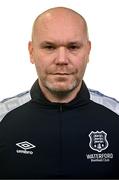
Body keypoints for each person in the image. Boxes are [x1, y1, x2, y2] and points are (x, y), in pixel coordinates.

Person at [0, 6, 119, 179]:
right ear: (32, 52)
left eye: (73, 47)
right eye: (49, 47)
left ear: (88, 51)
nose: (62, 60)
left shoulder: (115, 116)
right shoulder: (3, 117)